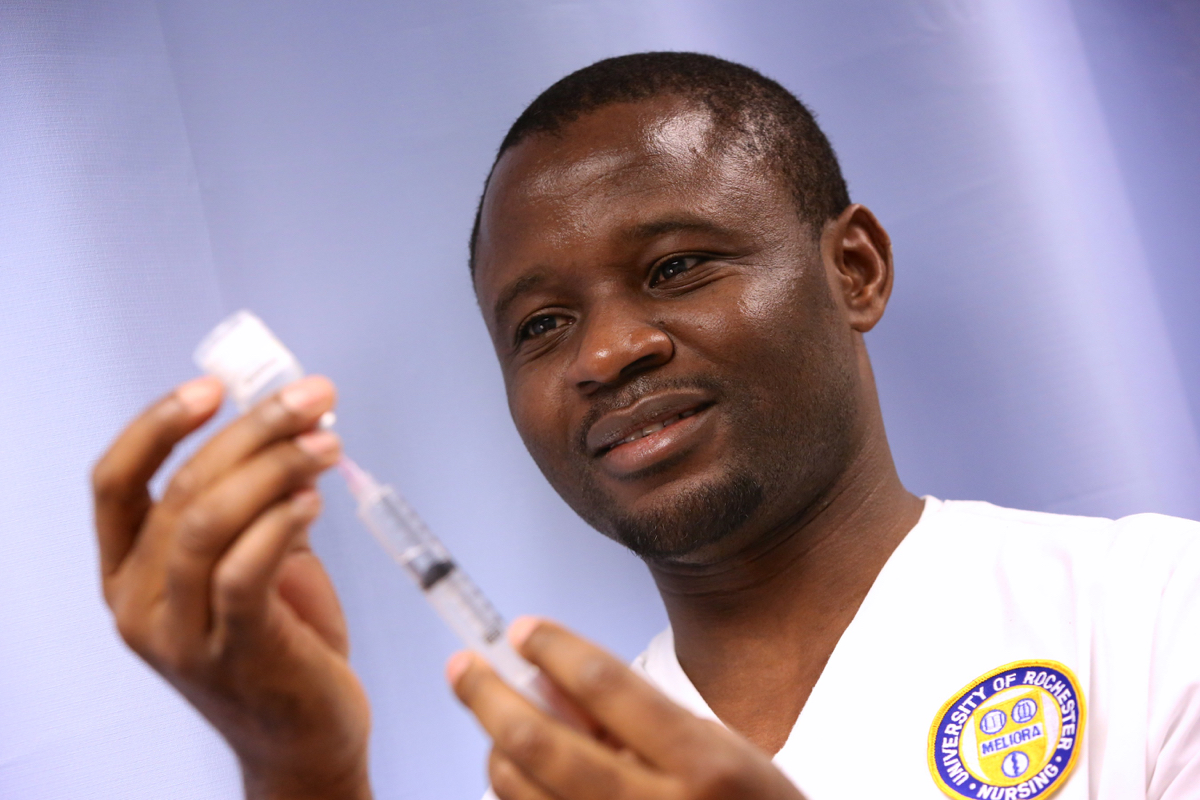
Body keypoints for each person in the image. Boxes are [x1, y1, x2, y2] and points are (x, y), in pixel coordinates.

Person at [91, 53, 1200, 800]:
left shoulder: (1154, 617)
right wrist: (296, 763)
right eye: (539, 326)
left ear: (851, 268)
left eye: (676, 266)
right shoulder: (564, 769)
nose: (607, 353)